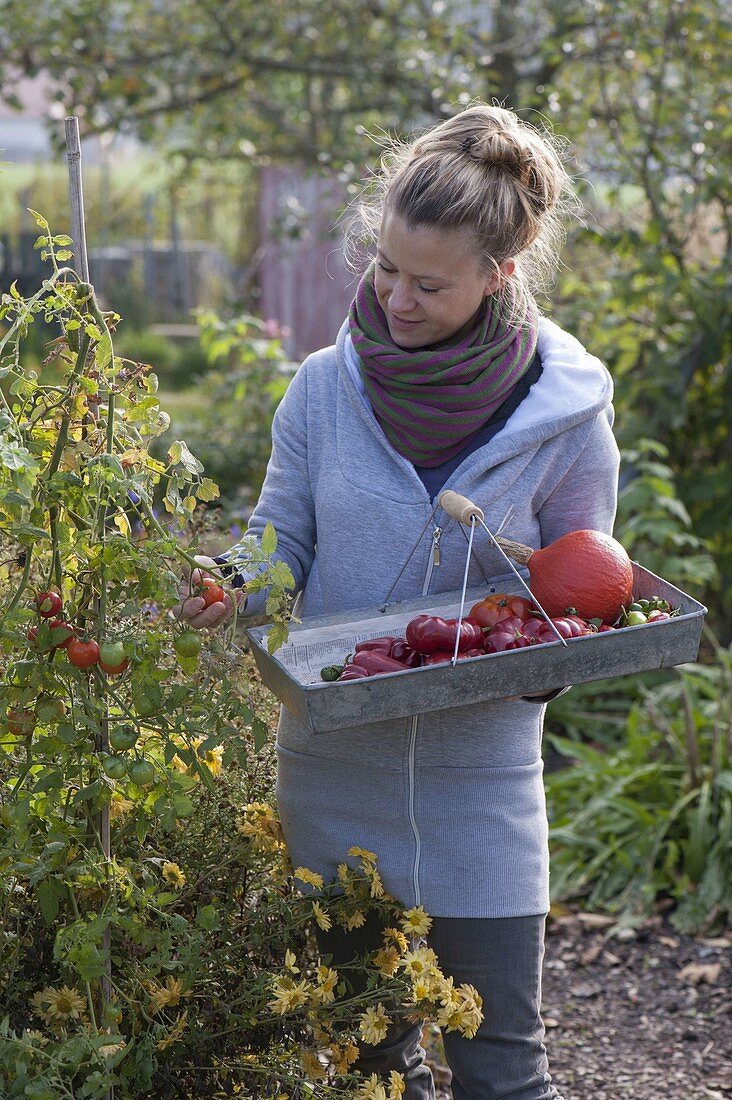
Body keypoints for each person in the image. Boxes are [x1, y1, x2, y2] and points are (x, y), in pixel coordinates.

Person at [176, 103, 620, 1100]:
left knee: (503, 1065)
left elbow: (586, 592)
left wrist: (539, 643)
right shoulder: (324, 391)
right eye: (384, 269)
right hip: (337, 766)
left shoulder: (568, 417)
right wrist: (234, 581)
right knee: (363, 1064)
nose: (397, 298)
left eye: (429, 283)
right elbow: (278, 538)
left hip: (481, 775)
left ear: (499, 273)